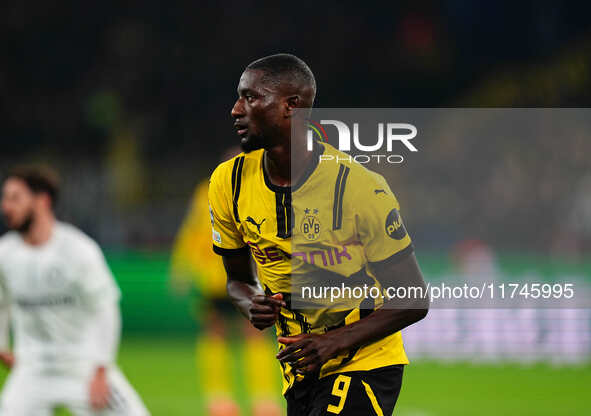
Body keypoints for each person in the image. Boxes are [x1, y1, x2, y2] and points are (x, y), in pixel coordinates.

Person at [208, 53, 429, 415]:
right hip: (299, 366)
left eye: (251, 97)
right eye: (238, 97)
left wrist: (331, 343)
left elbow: (413, 298)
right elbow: (237, 281)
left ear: (290, 106)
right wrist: (253, 303)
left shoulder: (358, 188)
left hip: (363, 361)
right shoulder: (227, 183)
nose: (235, 109)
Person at [0, 166, 149, 416]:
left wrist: (102, 369)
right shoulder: (5, 253)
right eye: (5, 198)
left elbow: (106, 309)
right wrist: (2, 344)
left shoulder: (78, 250)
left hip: (84, 366)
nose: (6, 206)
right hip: (32, 371)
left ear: (42, 201)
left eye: (15, 198)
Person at [170, 147, 282, 416]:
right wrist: (181, 268)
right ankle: (219, 399)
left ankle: (262, 399)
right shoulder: (205, 192)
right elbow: (193, 231)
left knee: (254, 333)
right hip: (214, 277)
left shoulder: (258, 190)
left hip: (249, 276)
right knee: (216, 332)